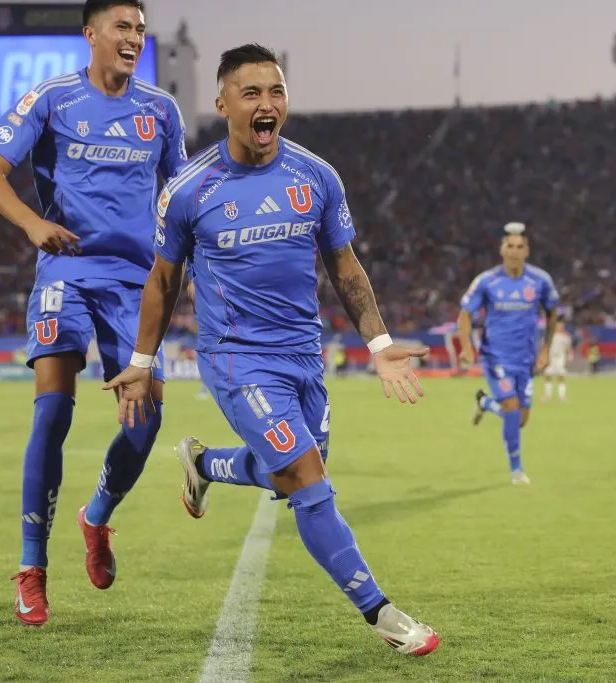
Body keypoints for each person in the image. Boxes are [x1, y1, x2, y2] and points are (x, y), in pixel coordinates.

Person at [102, 44, 440, 657]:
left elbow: (344, 265)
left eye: (276, 92)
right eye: (252, 93)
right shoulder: (189, 190)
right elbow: (162, 281)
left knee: (288, 478)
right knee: (309, 483)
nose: (267, 104)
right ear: (223, 102)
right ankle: (384, 615)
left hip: (303, 358)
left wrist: (380, 342)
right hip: (236, 360)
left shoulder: (315, 175)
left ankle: (203, 465)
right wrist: (143, 362)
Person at [0, 0, 188, 626]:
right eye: (122, 27)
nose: (133, 38)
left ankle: (96, 516)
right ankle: (32, 568)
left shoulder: (161, 111)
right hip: (66, 269)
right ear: (90, 34)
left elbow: (177, 203)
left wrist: (190, 274)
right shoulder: (52, 98)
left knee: (145, 424)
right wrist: (34, 223)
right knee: (53, 411)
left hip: (136, 283)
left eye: (140, 30)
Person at [459, 222, 559, 485]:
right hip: (495, 356)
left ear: (527, 251)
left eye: (520, 247)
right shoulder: (487, 281)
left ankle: (485, 403)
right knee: (512, 408)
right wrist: (468, 347)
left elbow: (552, 313)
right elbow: (465, 314)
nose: (514, 251)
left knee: (520, 419)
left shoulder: (540, 281)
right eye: (509, 246)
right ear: (501, 250)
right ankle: (517, 470)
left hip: (526, 359)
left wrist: (546, 349)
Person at [542, 319, 573, 400]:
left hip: (560, 359)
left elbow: (568, 347)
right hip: (550, 358)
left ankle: (562, 395)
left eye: (561, 326)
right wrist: (543, 356)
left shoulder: (565, 337)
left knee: (561, 376)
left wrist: (570, 355)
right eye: (558, 326)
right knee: (547, 375)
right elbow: (544, 346)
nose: (559, 327)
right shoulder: (549, 336)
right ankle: (547, 395)